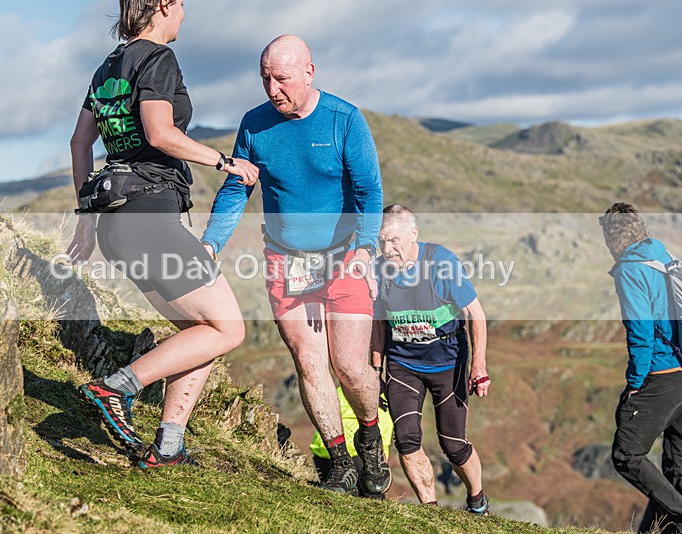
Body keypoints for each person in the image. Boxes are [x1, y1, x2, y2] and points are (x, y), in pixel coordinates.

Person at [68, 0, 259, 468]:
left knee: (201, 331)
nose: (185, 14)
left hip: (117, 226)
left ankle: (169, 444)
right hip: (150, 218)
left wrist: (87, 217)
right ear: (164, 6)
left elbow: (79, 142)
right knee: (228, 328)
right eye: (181, 5)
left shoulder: (107, 66)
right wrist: (225, 162)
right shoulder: (157, 58)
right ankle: (117, 387)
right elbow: (159, 132)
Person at [201, 35, 388, 496]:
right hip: (286, 261)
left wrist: (365, 248)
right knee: (309, 362)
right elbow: (235, 189)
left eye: (281, 78)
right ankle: (340, 460)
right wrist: (211, 243)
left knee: (349, 365)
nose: (271, 88)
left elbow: (369, 193)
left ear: (309, 71)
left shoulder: (346, 120)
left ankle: (369, 435)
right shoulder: (254, 125)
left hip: (346, 257)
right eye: (265, 77)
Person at [371, 204, 491, 514]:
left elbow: (476, 315)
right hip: (402, 364)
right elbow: (379, 323)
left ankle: (477, 501)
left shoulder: (441, 261)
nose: (387, 248)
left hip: (448, 362)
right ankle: (432, 512)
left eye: (394, 240)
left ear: (414, 234)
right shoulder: (377, 269)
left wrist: (478, 368)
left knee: (453, 444)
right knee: (406, 440)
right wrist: (375, 367)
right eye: (382, 240)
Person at [601, 203, 682, 531]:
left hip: (660, 374)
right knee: (677, 468)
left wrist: (635, 382)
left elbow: (641, 330)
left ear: (612, 236)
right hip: (681, 372)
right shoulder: (664, 257)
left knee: (626, 454)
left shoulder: (631, 267)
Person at [310, 387, 395, 499]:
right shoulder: (383, 397)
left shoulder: (336, 390)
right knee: (373, 498)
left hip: (324, 451)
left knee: (337, 494)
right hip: (359, 454)